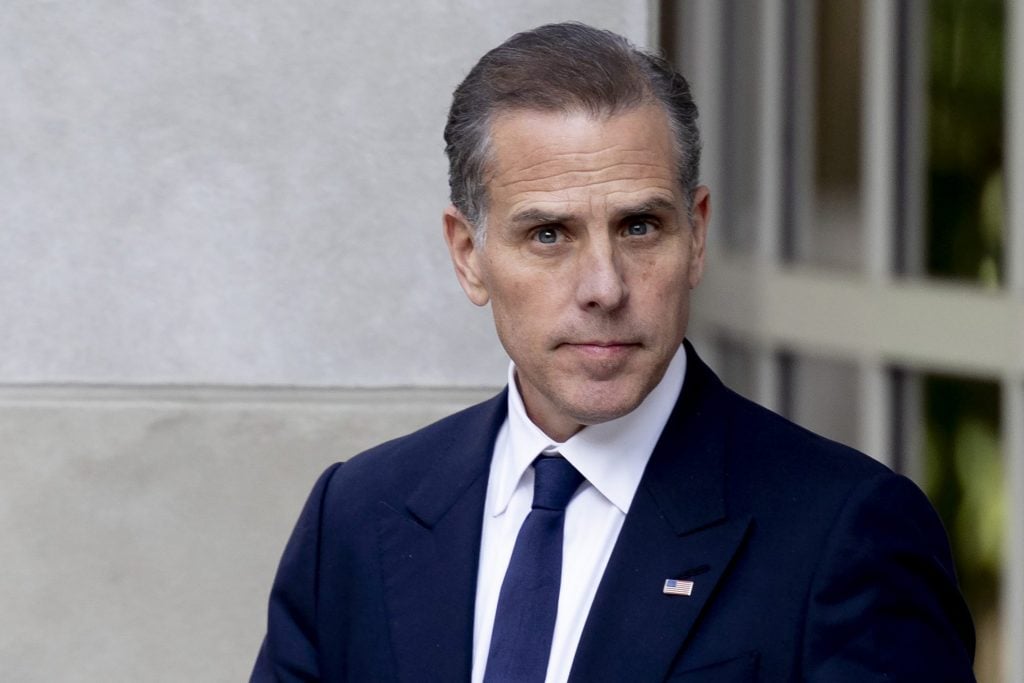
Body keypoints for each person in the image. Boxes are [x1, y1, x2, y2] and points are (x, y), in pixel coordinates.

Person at [251, 22, 976, 682]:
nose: (603, 287)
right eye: (548, 234)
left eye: (638, 226)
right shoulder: (355, 517)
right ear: (469, 255)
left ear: (695, 235)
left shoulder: (846, 534)